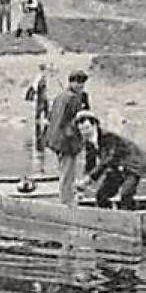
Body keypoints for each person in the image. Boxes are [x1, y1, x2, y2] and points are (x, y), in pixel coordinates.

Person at [77, 114, 146, 210]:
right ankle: (108, 218)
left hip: (134, 165)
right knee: (101, 195)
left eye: (87, 128)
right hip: (117, 166)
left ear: (95, 125)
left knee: (126, 194)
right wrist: (84, 181)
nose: (85, 133)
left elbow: (108, 159)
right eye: (81, 130)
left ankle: (141, 212)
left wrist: (90, 178)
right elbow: (90, 164)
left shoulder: (108, 137)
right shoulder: (88, 143)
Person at [41, 70, 91, 207]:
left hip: (55, 140)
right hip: (66, 142)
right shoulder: (73, 98)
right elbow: (74, 122)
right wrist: (79, 140)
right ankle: (66, 202)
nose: (81, 86)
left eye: (82, 84)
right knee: (68, 172)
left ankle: (66, 197)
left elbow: (51, 118)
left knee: (65, 170)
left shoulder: (60, 97)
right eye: (78, 83)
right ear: (72, 82)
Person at [25, 63, 51, 155]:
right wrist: (35, 94)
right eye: (44, 69)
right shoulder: (39, 77)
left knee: (45, 107)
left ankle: (45, 122)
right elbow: (36, 87)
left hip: (43, 95)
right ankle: (39, 124)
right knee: (40, 108)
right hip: (41, 95)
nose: (45, 71)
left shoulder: (42, 77)